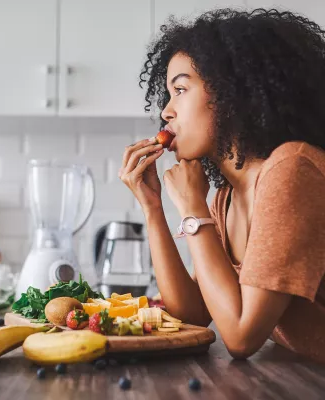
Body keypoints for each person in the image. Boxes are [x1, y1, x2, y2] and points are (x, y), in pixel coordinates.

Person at [119, 8, 325, 362]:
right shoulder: (227, 197)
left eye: (180, 89)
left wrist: (193, 208)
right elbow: (195, 314)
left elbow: (241, 336)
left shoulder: (292, 168)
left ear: (234, 93)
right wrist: (153, 208)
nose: (166, 111)